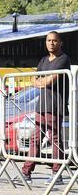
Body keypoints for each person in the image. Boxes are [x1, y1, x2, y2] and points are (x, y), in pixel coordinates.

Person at [22, 31, 71, 185]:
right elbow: (35, 80)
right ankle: (26, 172)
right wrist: (41, 81)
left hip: (55, 105)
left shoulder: (63, 59)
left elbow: (47, 82)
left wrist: (41, 81)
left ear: (60, 42)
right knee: (34, 138)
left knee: (55, 138)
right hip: (41, 105)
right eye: (49, 40)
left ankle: (57, 174)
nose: (51, 43)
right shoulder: (43, 60)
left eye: (54, 40)